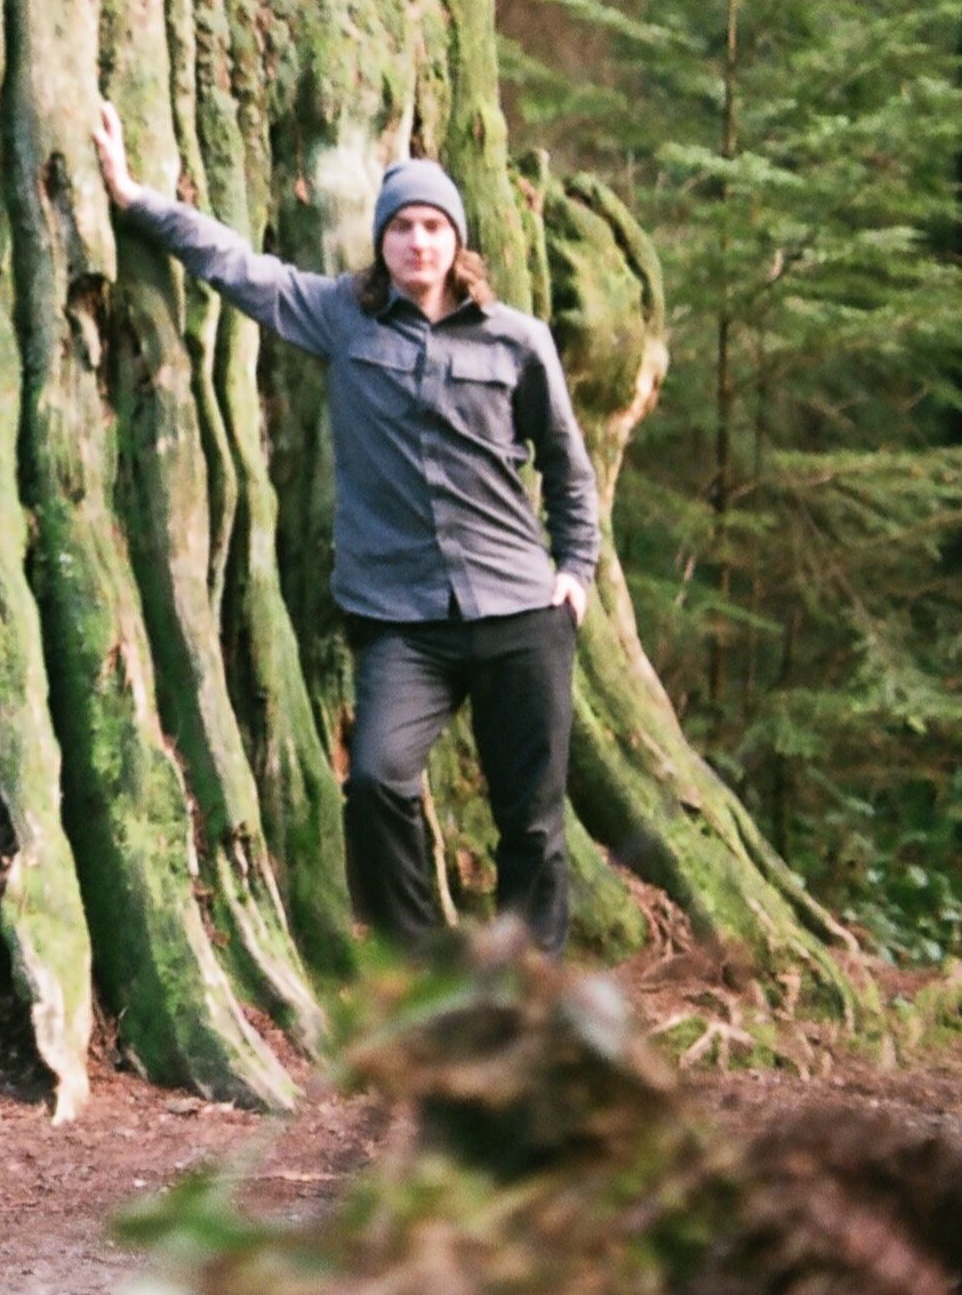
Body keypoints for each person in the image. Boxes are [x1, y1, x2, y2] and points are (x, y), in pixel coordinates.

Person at [92, 102, 600, 955]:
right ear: (382, 239)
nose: (417, 243)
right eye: (401, 226)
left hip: (518, 608)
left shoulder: (519, 340)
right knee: (375, 781)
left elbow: (566, 463)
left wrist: (575, 570)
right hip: (403, 619)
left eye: (433, 226)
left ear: (456, 240)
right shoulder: (341, 315)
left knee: (532, 819)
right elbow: (235, 265)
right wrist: (135, 197)